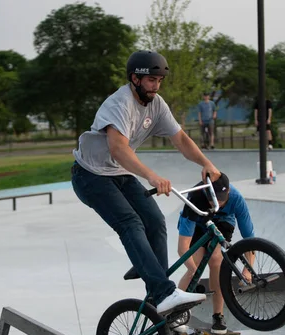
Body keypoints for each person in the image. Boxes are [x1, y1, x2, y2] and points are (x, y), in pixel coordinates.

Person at [71, 50, 222, 316]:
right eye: (151, 80)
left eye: (160, 80)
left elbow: (181, 140)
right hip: (90, 176)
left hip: (117, 173)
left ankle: (155, 291)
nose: (156, 86)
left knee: (155, 221)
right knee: (130, 222)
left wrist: (206, 163)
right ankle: (163, 291)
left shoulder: (157, 104)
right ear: (135, 79)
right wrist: (151, 175)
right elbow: (118, 148)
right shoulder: (120, 104)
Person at [172, 173, 255, 335]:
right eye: (214, 201)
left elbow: (250, 239)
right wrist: (193, 269)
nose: (219, 204)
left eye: (222, 201)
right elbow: (183, 247)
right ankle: (176, 318)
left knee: (216, 259)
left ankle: (218, 315)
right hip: (197, 225)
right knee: (194, 266)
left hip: (223, 224)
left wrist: (248, 270)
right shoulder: (194, 198)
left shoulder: (236, 199)